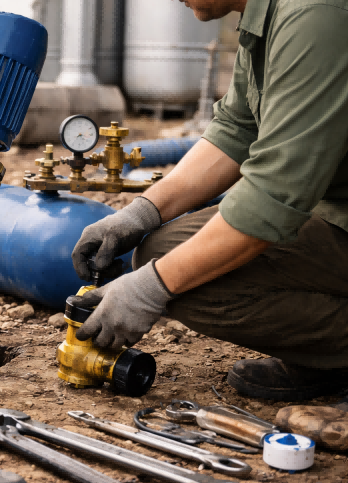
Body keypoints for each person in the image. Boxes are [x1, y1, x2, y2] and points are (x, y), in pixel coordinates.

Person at [71, 0, 348, 401]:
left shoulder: (314, 15)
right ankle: (328, 360)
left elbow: (271, 196)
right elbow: (236, 130)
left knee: (189, 282)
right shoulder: (266, 19)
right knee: (165, 251)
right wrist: (139, 214)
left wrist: (150, 288)